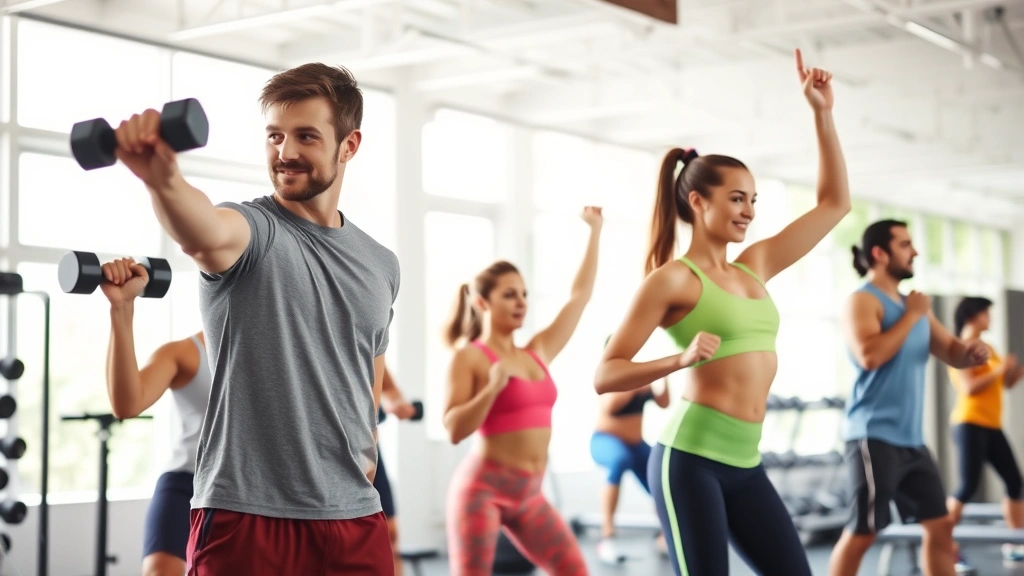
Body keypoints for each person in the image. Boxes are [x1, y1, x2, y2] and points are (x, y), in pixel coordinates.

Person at [109, 62, 400, 574]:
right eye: (274, 136)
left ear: (348, 145)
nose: (285, 152)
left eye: (306, 136)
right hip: (247, 516)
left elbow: (367, 386)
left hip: (354, 517)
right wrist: (163, 179)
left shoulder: (380, 264)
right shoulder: (254, 231)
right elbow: (202, 228)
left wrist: (363, 468)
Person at [595, 49, 850, 576]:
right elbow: (606, 374)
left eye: (753, 200)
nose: (748, 212)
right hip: (690, 462)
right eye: (736, 199)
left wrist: (822, 114)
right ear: (698, 202)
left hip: (746, 463)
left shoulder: (756, 265)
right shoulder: (673, 279)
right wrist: (679, 360)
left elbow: (834, 205)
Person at [442, 207, 603, 576]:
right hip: (481, 493)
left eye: (524, 294)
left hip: (529, 495)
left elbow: (579, 297)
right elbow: (453, 429)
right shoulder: (469, 357)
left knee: (576, 571)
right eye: (509, 295)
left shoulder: (537, 351)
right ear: (482, 302)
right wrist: (492, 389)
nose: (521, 303)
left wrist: (595, 231)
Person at [827, 220, 989, 576]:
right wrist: (912, 314)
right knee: (863, 533)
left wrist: (971, 353)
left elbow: (951, 351)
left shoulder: (915, 305)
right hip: (873, 436)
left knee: (940, 527)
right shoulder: (862, 301)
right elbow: (870, 356)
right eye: (905, 244)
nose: (914, 251)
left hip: (912, 441)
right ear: (879, 254)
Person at [100, 257, 211, 576]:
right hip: (187, 482)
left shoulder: (286, 352)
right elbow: (126, 405)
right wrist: (121, 307)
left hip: (253, 491)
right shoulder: (184, 353)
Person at [946, 296, 1024, 568]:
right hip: (969, 423)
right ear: (972, 315)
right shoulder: (962, 347)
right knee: (968, 486)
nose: (990, 318)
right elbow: (969, 388)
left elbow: (1005, 383)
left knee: (1015, 482)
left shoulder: (988, 347)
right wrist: (1000, 369)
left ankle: (1015, 544)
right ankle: (944, 545)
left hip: (991, 425)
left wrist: (1013, 372)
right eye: (986, 313)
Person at [591, 336, 670, 564]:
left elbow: (664, 403)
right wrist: (634, 382)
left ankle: (665, 535)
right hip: (606, 441)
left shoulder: (642, 376)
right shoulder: (608, 376)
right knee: (619, 461)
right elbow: (610, 406)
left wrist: (664, 375)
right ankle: (607, 536)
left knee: (662, 474)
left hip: (636, 445)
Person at [375, 365, 420, 576]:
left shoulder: (366, 346)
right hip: (321, 452)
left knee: (389, 533)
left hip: (368, 452)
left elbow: (391, 389)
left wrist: (397, 403)